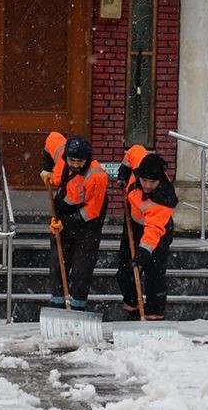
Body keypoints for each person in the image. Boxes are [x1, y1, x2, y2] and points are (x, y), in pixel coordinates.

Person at [41, 132, 108, 311]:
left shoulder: (97, 176)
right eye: (72, 160)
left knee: (82, 268)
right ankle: (57, 304)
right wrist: (47, 168)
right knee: (58, 263)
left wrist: (65, 222)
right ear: (66, 156)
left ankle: (77, 307)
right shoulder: (61, 153)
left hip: (88, 223)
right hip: (64, 212)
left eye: (80, 161)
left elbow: (92, 211)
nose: (76, 165)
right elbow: (51, 139)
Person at [117, 152, 177, 320]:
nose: (148, 185)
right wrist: (124, 170)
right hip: (134, 227)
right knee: (125, 272)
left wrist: (142, 253)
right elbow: (134, 151)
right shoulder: (139, 165)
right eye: (145, 181)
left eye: (153, 182)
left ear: (160, 180)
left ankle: (154, 314)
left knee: (154, 273)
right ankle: (134, 309)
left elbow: (153, 231)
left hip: (158, 234)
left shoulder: (163, 202)